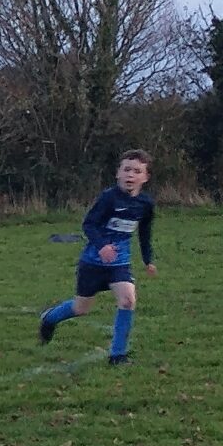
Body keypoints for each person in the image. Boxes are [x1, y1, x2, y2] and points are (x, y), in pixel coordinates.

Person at [38, 149, 158, 366]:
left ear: (145, 177)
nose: (130, 175)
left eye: (137, 171)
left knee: (128, 300)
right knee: (80, 309)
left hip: (119, 264)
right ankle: (50, 317)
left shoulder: (145, 204)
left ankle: (118, 355)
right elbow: (89, 224)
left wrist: (148, 260)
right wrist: (102, 246)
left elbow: (145, 232)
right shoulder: (108, 198)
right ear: (118, 173)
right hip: (92, 263)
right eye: (126, 170)